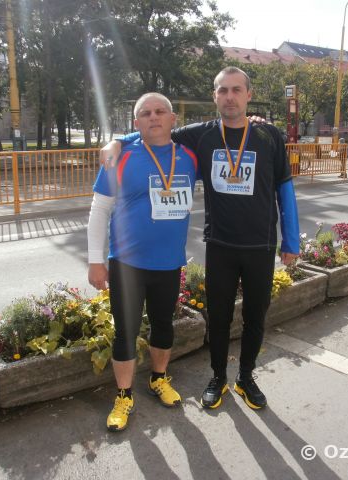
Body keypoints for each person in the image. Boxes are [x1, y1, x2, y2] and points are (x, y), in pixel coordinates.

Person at [100, 66, 300, 411]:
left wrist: (291, 241)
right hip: (220, 245)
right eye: (223, 90)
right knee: (218, 317)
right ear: (215, 96)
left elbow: (285, 188)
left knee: (256, 318)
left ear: (248, 95)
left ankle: (246, 378)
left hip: (261, 244)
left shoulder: (268, 135)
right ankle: (218, 377)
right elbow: (156, 128)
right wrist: (117, 141)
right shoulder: (202, 135)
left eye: (236, 90)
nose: (230, 97)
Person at [87, 92, 198, 431]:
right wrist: (95, 261)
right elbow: (99, 210)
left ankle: (158, 379)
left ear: (173, 119)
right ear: (136, 123)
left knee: (163, 325)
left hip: (169, 262)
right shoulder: (121, 157)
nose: (154, 117)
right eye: (146, 113)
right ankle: (123, 395)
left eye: (160, 111)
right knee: (126, 331)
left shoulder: (190, 156)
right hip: (127, 264)